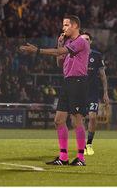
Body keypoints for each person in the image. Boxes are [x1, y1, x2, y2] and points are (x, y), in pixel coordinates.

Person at [20, 15, 90, 166]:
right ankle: (63, 157)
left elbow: (58, 53)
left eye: (66, 25)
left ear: (75, 26)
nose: (63, 28)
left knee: (77, 120)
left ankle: (80, 158)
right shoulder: (69, 42)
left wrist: (37, 50)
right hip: (67, 82)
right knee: (58, 120)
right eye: (63, 25)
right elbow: (60, 62)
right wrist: (59, 43)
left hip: (78, 82)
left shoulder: (80, 41)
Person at [81, 32, 109, 156]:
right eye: (83, 39)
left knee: (92, 117)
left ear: (90, 41)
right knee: (78, 120)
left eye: (87, 39)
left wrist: (105, 93)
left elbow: (103, 76)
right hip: (79, 92)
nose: (85, 41)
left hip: (92, 92)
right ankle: (81, 144)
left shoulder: (96, 55)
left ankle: (89, 144)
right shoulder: (75, 54)